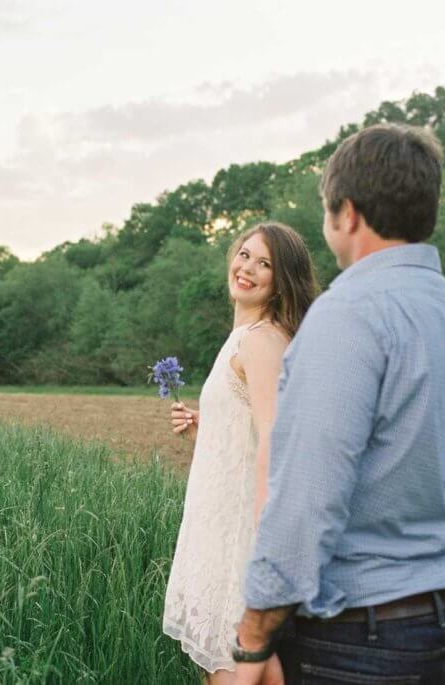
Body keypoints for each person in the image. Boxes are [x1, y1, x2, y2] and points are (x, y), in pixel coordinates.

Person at [232, 124, 445, 685]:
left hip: (359, 644)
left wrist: (254, 638)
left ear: (347, 214)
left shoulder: (347, 314)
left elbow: (306, 500)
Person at [162, 222, 318, 684]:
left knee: (232, 667)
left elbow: (279, 442)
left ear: (280, 279)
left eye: (264, 263)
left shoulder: (262, 341)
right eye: (244, 255)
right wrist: (206, 431)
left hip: (240, 540)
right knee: (253, 669)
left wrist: (268, 558)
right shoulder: (244, 336)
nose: (247, 268)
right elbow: (250, 431)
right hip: (218, 525)